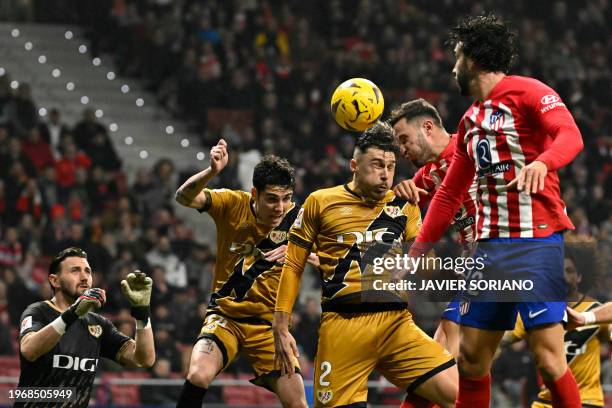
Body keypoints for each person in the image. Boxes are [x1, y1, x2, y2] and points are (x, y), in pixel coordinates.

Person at [409, 14, 584, 407]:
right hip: (489, 252)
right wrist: (417, 250)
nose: (452, 66)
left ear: (471, 59)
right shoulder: (470, 121)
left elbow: (570, 135)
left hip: (535, 241)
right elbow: (449, 193)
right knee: (471, 359)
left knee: (548, 357)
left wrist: (544, 162)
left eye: (456, 56)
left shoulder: (529, 92)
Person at [273, 122, 458, 408]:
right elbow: (293, 265)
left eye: (391, 166)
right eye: (376, 165)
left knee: (458, 396)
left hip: (396, 324)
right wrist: (281, 327)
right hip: (343, 327)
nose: (385, 175)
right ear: (354, 165)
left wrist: (421, 238)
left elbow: (428, 269)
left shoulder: (403, 204)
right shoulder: (320, 202)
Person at [174, 139, 311, 407]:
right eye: (271, 199)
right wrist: (211, 172)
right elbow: (183, 196)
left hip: (269, 327)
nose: (280, 207)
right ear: (254, 194)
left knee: (298, 403)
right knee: (198, 375)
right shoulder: (231, 203)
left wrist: (299, 252)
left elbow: (331, 255)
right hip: (226, 317)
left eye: (286, 199)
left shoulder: (301, 219)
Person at [389, 98, 478, 361]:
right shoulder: (428, 175)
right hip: (474, 263)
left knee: (451, 341)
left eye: (404, 140)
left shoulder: (471, 149)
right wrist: (400, 190)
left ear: (427, 127)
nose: (402, 150)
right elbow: (395, 209)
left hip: (503, 255)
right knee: (439, 356)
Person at [16, 247, 155, 408]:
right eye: (75, 271)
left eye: (87, 271)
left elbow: (144, 359)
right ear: (55, 281)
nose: (84, 277)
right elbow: (29, 350)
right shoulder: (38, 311)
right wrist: (72, 313)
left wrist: (142, 312)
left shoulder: (98, 324)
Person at [503, 241, 610, 407]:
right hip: (547, 401)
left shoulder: (595, 310)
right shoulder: (538, 309)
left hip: (587, 401)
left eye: (569, 271)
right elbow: (503, 337)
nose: (563, 276)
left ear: (579, 277)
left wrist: (586, 318)